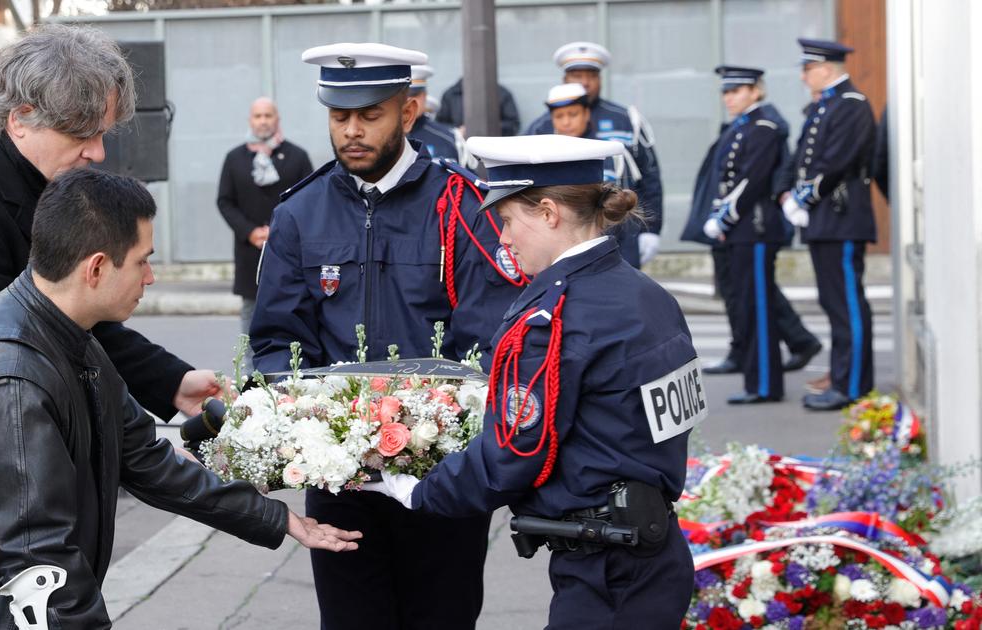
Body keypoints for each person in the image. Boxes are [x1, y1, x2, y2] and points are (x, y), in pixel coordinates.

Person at [0, 168, 361, 628]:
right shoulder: (14, 378)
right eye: (142, 260)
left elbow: (146, 458)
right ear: (95, 267)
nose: (149, 277)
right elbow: (39, 564)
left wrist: (274, 518)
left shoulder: (69, 334)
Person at [0, 24, 225, 551]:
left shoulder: (33, 184)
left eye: (102, 134)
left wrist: (171, 382)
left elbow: (80, 321)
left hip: (2, 460)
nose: (98, 152)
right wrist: (145, 449)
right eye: (83, 135)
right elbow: (38, 348)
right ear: (20, 120)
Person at [364, 134, 700, 629]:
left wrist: (420, 490)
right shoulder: (646, 295)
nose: (501, 238)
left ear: (548, 212)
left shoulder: (554, 319)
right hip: (652, 554)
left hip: (604, 568)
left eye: (506, 220)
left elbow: (516, 453)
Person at [251, 43, 526, 630]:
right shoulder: (299, 214)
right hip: (339, 479)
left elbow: (492, 334)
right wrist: (305, 430)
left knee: (442, 619)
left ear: (408, 112)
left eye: (369, 114)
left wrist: (439, 426)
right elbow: (276, 340)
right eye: (338, 116)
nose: (351, 131)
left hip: (442, 476)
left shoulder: (463, 204)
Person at [680, 68, 823, 380]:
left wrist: (722, 218)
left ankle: (763, 382)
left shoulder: (763, 127)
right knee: (749, 301)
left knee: (757, 305)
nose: (729, 98)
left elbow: (750, 181)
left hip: (754, 227)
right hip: (740, 229)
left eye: (737, 90)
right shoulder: (745, 126)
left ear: (756, 90)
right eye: (726, 92)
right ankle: (759, 377)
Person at [781, 39, 876, 411]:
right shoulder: (826, 106)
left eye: (808, 68)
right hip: (825, 220)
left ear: (826, 68)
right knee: (833, 302)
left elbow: (835, 163)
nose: (804, 75)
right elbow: (805, 157)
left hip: (842, 217)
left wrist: (802, 198)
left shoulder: (851, 105)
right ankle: (841, 373)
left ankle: (852, 385)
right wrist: (789, 197)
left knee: (848, 303)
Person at [526, 42, 664, 268]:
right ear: (564, 79)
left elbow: (649, 176)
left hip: (622, 230)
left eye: (591, 75)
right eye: (576, 75)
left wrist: (652, 229)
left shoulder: (626, 120)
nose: (584, 82)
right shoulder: (541, 127)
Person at [217, 97, 313, 336]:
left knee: (291, 315)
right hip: (250, 253)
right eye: (258, 116)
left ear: (277, 119)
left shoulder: (297, 156)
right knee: (250, 319)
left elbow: (311, 200)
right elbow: (225, 201)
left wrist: (280, 232)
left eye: (268, 115)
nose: (263, 121)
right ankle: (250, 372)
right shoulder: (235, 158)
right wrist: (250, 232)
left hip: (289, 251)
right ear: (251, 120)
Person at [405, 65, 476, 168]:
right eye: (405, 96)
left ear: (424, 96)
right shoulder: (386, 138)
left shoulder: (449, 138)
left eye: (414, 95)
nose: (410, 101)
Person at [435, 76, 521, 136]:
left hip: (492, 148)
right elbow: (440, 125)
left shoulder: (502, 94)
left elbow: (513, 124)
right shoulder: (451, 94)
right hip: (460, 149)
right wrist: (457, 131)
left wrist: (487, 128)